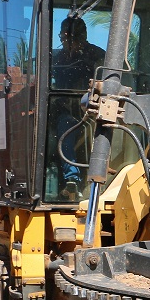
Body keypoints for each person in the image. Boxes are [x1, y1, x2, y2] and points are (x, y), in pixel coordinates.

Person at [47, 15, 106, 199]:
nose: (70, 42)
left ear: (84, 36)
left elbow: (104, 82)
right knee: (65, 125)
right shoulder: (56, 59)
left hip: (93, 110)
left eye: (74, 38)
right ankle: (71, 181)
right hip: (65, 113)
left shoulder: (98, 56)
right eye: (66, 38)